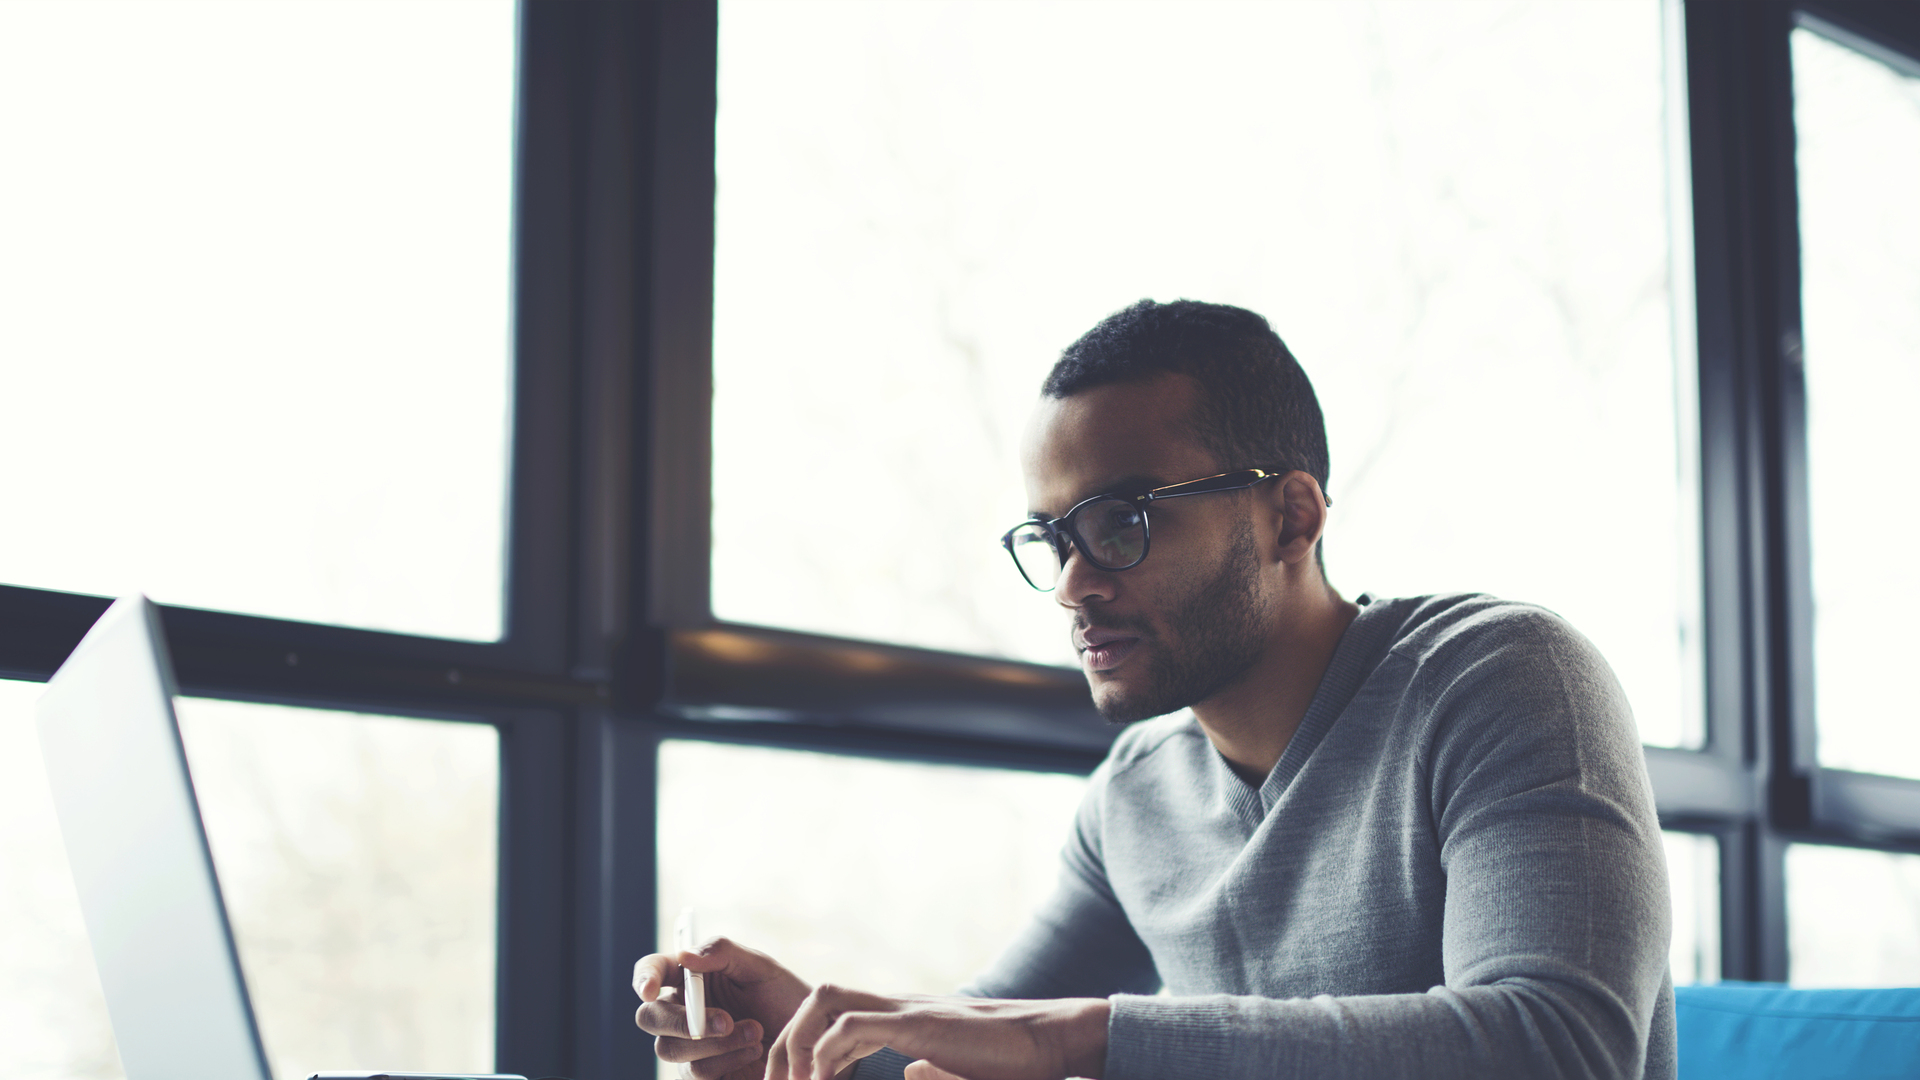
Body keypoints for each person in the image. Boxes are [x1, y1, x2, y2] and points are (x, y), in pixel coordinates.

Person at [634, 299, 1675, 1080]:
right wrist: (799, 1033)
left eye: (1123, 521)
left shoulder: (1504, 677)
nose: (1074, 583)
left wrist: (1086, 1035)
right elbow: (979, 1040)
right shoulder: (1137, 797)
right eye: (1052, 538)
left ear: (1292, 518)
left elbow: (1559, 1045)